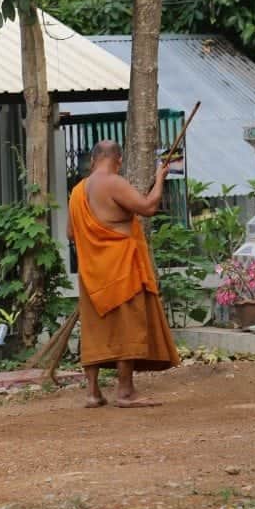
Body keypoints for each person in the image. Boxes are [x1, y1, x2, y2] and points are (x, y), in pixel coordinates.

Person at [67, 139, 180, 408]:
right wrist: (159, 178)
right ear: (118, 159)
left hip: (92, 273)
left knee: (96, 330)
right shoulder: (114, 182)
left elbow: (71, 233)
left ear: (93, 159)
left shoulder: (78, 191)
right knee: (128, 325)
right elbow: (148, 207)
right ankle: (125, 391)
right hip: (120, 268)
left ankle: (93, 392)